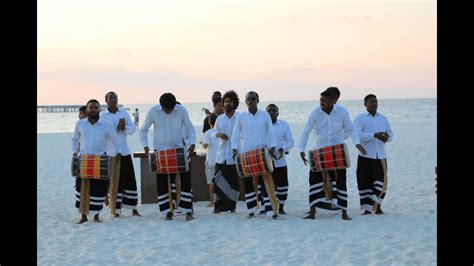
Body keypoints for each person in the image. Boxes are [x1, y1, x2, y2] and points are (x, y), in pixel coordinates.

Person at [139, 93, 196, 221]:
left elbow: (191, 129)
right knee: (162, 183)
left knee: (186, 180)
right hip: (161, 151)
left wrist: (192, 143)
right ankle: (167, 212)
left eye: (170, 109)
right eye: (166, 109)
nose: (168, 111)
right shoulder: (153, 111)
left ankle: (188, 211)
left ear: (175, 105)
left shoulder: (181, 110)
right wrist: (145, 146)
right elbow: (143, 130)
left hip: (179, 150)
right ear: (161, 106)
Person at [299, 89, 354, 220]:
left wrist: (347, 141)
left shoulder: (342, 111)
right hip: (319, 152)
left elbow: (350, 130)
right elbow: (306, 131)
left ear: (332, 100)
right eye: (320, 100)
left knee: (340, 181)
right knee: (314, 181)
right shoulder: (315, 113)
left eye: (323, 100)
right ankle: (312, 212)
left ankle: (344, 213)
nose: (321, 102)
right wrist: (301, 149)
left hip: (337, 152)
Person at [71, 99, 122, 224]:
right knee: (81, 188)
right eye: (91, 107)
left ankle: (96, 216)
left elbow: (116, 139)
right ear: (87, 110)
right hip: (83, 159)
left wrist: (115, 153)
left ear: (99, 110)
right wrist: (74, 152)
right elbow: (74, 139)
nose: (93, 109)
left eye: (95, 107)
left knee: (98, 189)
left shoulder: (106, 124)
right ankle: (83, 216)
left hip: (100, 159)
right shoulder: (80, 124)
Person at [231, 91, 278, 219]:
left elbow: (271, 132)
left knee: (266, 182)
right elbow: (235, 134)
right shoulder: (241, 117)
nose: (251, 101)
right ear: (245, 102)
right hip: (247, 154)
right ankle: (251, 211)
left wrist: (273, 147)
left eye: (253, 98)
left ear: (258, 100)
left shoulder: (265, 115)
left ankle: (269, 209)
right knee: (249, 184)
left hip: (263, 152)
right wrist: (234, 149)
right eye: (248, 99)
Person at [100, 91, 141, 217]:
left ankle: (133, 209)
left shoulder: (123, 112)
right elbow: (101, 132)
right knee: (115, 182)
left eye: (115, 98)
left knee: (130, 181)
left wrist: (124, 128)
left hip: (124, 151)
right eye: (111, 98)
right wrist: (116, 128)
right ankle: (116, 210)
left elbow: (133, 129)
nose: (113, 100)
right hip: (111, 153)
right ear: (106, 100)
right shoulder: (103, 115)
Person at [353, 94, 393, 215]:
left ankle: (378, 207)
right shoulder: (360, 118)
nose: (374, 104)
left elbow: (390, 133)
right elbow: (357, 135)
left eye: (376, 101)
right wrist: (374, 135)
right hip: (365, 156)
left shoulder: (383, 118)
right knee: (365, 183)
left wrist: (387, 137)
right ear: (365, 104)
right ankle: (367, 209)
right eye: (371, 102)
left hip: (380, 156)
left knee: (382, 182)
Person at [212, 90, 241, 213]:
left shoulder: (240, 117)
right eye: (226, 101)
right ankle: (218, 207)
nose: (228, 103)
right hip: (221, 154)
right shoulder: (219, 119)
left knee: (233, 182)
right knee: (218, 180)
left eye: (230, 101)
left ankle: (232, 207)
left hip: (234, 155)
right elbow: (213, 134)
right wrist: (219, 134)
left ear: (235, 103)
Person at [265, 103, 294, 215]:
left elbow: (291, 141)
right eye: (269, 111)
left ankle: (281, 207)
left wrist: (283, 148)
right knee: (268, 186)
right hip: (266, 162)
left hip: (280, 161)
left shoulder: (284, 125)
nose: (271, 112)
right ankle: (269, 208)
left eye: (274, 110)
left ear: (278, 113)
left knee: (283, 186)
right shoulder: (262, 126)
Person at [202, 113, 219, 207]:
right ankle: (219, 201)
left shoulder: (208, 133)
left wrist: (201, 142)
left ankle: (213, 202)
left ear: (209, 122)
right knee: (220, 182)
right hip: (220, 160)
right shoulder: (220, 132)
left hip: (211, 160)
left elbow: (205, 146)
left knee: (211, 182)